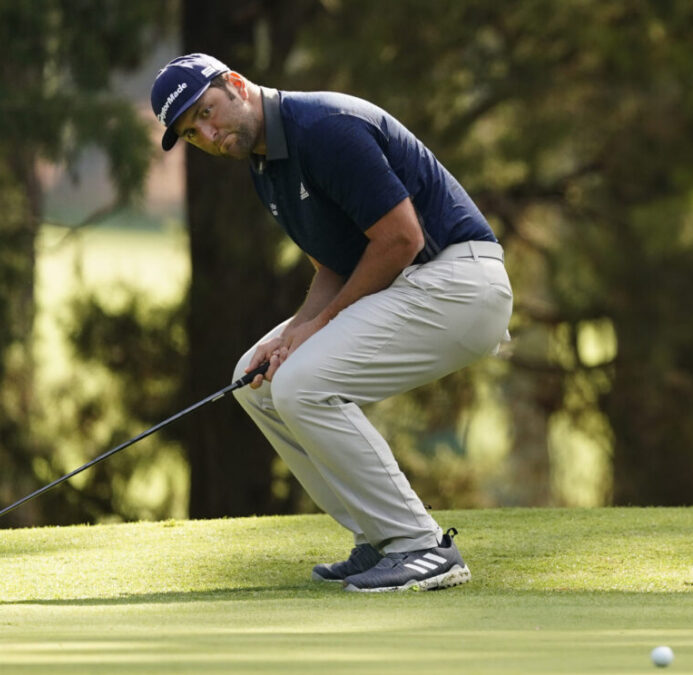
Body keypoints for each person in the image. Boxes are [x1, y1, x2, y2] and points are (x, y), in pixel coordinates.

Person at [149, 54, 512, 592]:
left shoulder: (322, 128)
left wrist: (320, 326)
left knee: (303, 383)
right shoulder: (266, 168)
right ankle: (382, 537)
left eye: (207, 112)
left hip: (459, 283)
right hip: (420, 285)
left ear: (236, 85)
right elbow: (335, 267)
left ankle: (420, 546)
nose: (209, 134)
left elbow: (401, 239)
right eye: (192, 133)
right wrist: (298, 328)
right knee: (256, 378)